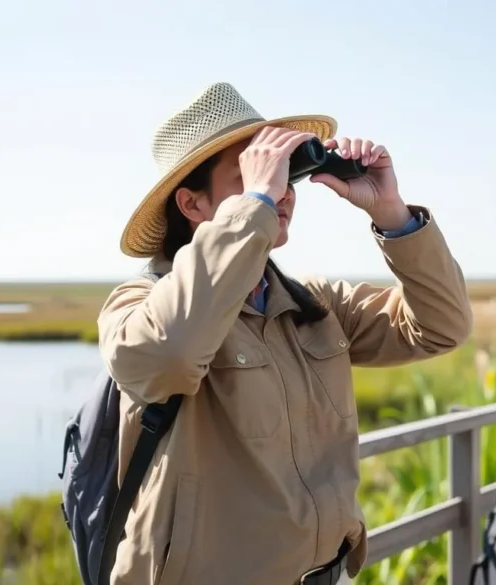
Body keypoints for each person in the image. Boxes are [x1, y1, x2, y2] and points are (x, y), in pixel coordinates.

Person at [97, 82, 473, 585]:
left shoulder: (311, 306)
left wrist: (391, 214)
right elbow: (170, 354)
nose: (283, 191)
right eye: (255, 173)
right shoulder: (137, 307)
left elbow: (442, 327)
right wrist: (255, 201)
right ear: (191, 205)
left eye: (285, 174)